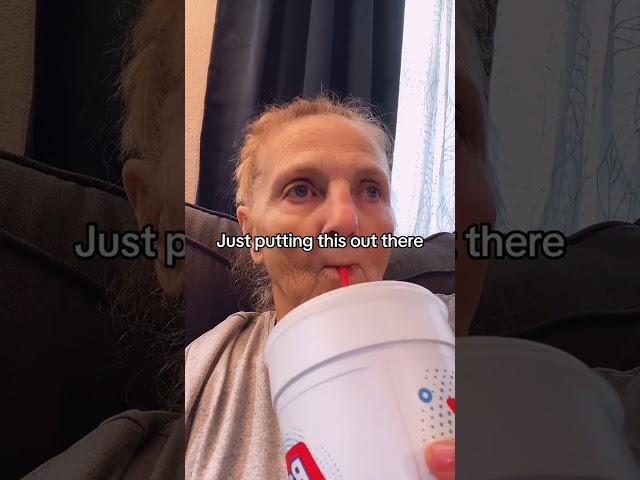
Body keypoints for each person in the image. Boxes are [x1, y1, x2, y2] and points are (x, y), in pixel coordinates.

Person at [184, 93, 456, 480]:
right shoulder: (207, 366)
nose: (345, 221)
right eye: (301, 190)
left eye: (371, 190)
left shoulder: (453, 326)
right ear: (253, 233)